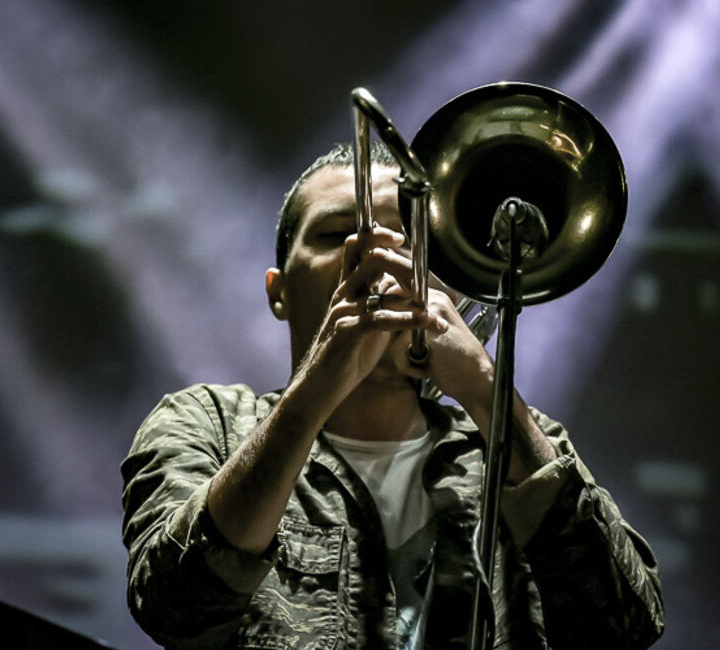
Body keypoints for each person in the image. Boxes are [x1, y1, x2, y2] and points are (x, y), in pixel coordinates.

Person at [121, 142, 665, 649]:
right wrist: (318, 383)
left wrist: (483, 384)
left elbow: (623, 626)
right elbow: (175, 608)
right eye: (338, 235)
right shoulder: (205, 422)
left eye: (410, 243)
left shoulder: (518, 442)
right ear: (278, 291)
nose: (379, 262)